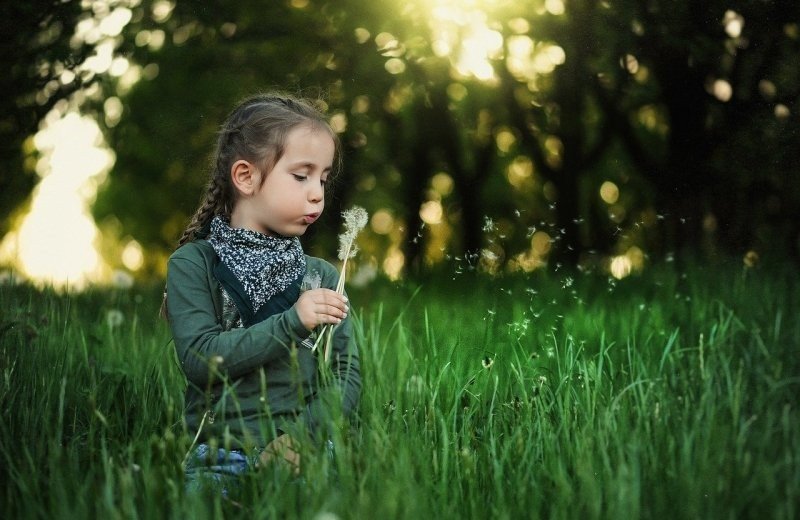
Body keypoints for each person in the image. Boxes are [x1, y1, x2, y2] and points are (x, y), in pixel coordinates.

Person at [162, 93, 361, 492]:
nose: (318, 193)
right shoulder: (193, 265)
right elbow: (201, 360)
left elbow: (346, 374)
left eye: (323, 178)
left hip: (306, 447)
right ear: (246, 177)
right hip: (220, 451)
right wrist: (293, 322)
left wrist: (302, 438)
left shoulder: (322, 275)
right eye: (301, 176)